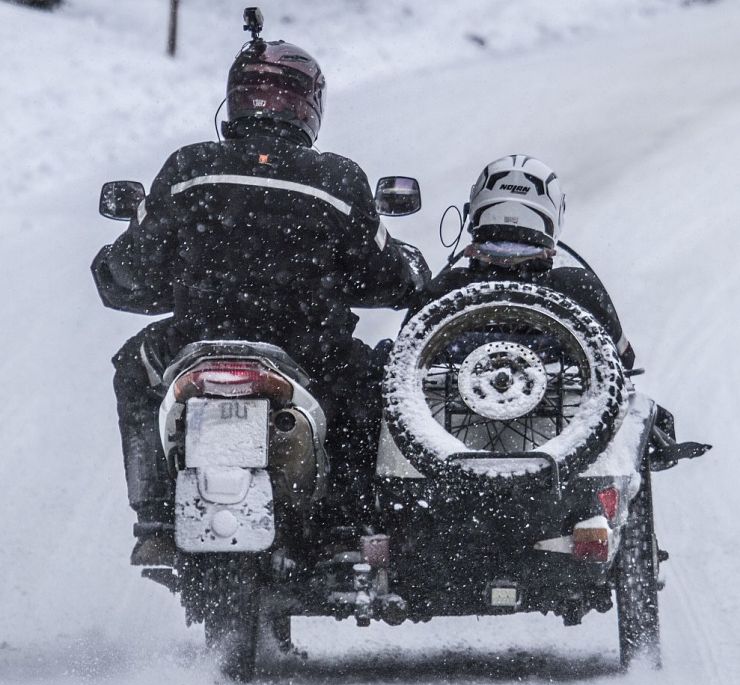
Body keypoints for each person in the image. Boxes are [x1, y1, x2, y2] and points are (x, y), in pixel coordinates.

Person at [91, 21, 429, 561]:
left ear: (234, 98)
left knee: (135, 367)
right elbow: (387, 278)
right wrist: (403, 272)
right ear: (310, 105)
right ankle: (346, 526)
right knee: (376, 384)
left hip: (196, 342)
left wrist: (138, 271)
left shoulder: (188, 168)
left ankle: (154, 519)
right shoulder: (337, 180)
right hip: (312, 351)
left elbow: (127, 271)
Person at [424, 154, 635, 368]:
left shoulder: (448, 286)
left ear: (475, 208)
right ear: (554, 213)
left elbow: (408, 348)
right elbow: (624, 358)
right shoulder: (577, 286)